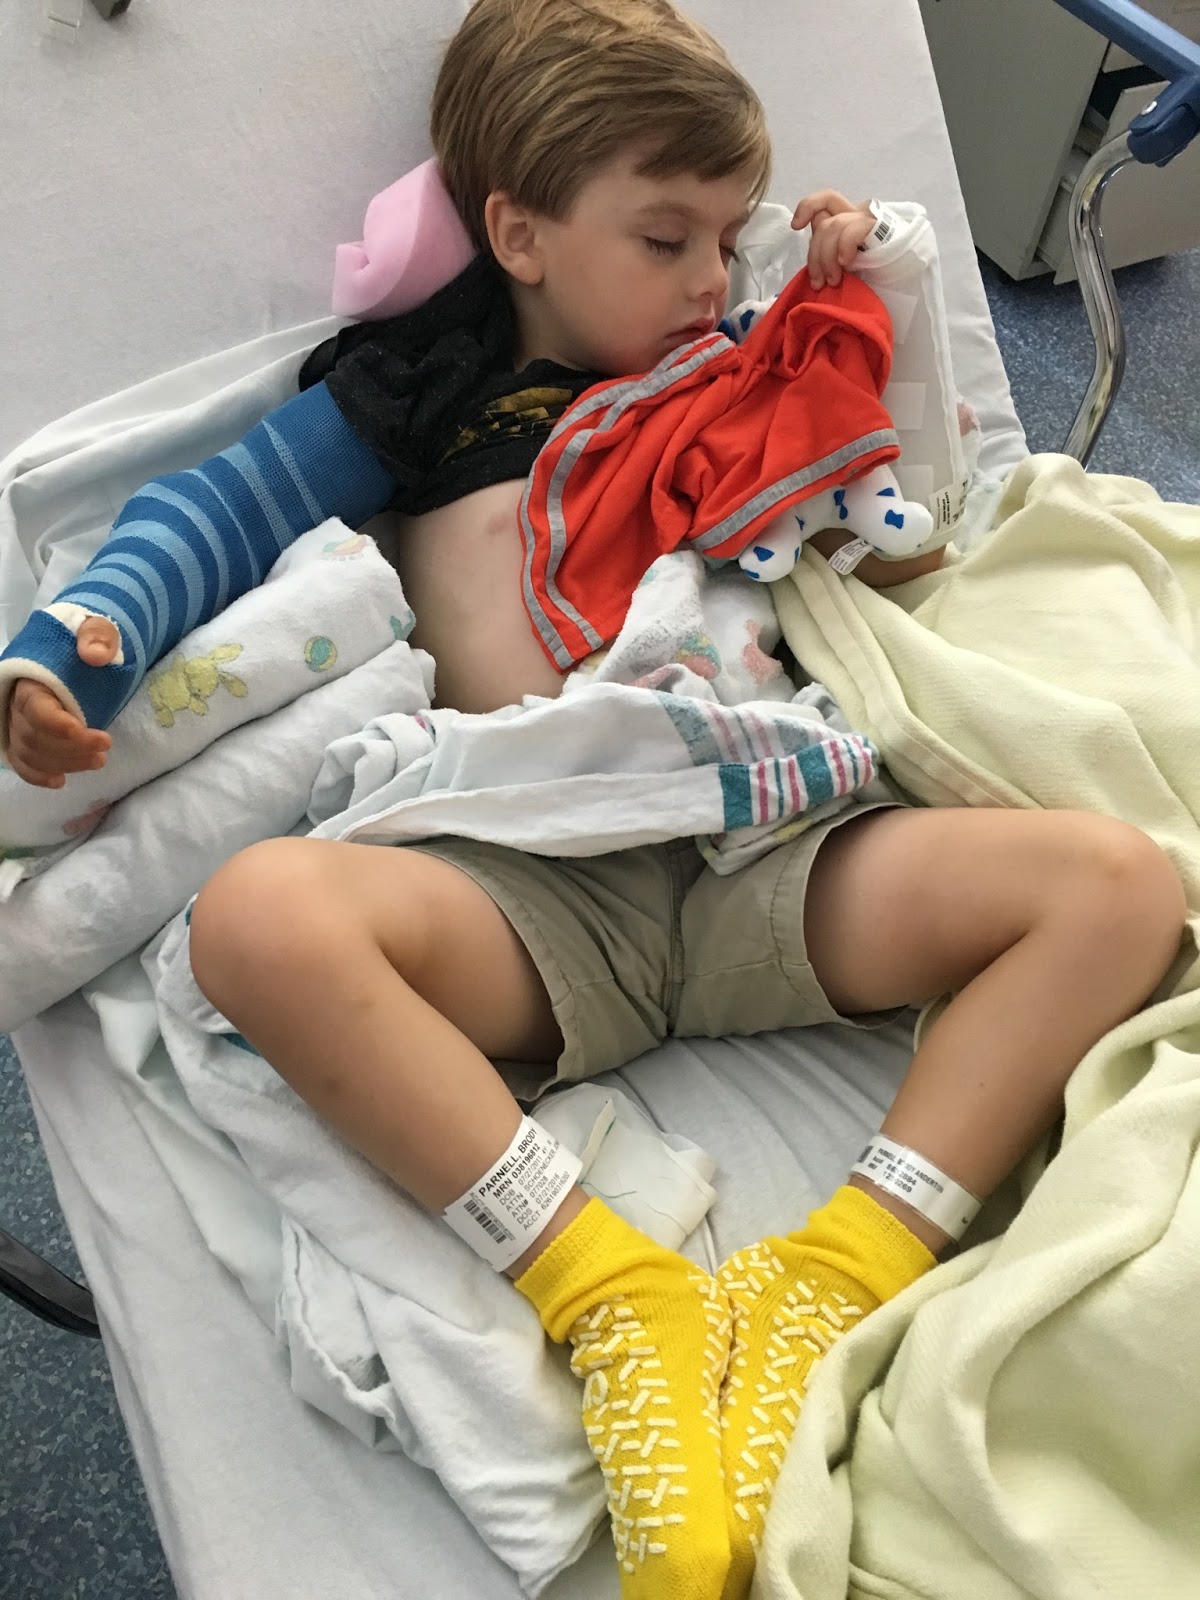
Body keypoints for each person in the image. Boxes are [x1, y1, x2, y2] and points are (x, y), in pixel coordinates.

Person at [1, 2, 1185, 1595]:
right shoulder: (418, 391)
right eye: (665, 236)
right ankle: (613, 1296)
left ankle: (827, 1282)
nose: (710, 276)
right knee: (261, 921)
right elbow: (206, 513)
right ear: (520, 236)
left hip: (765, 838)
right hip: (533, 882)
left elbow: (904, 537)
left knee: (1116, 888)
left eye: (731, 237)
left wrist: (869, 316)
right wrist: (73, 646)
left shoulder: (737, 364)